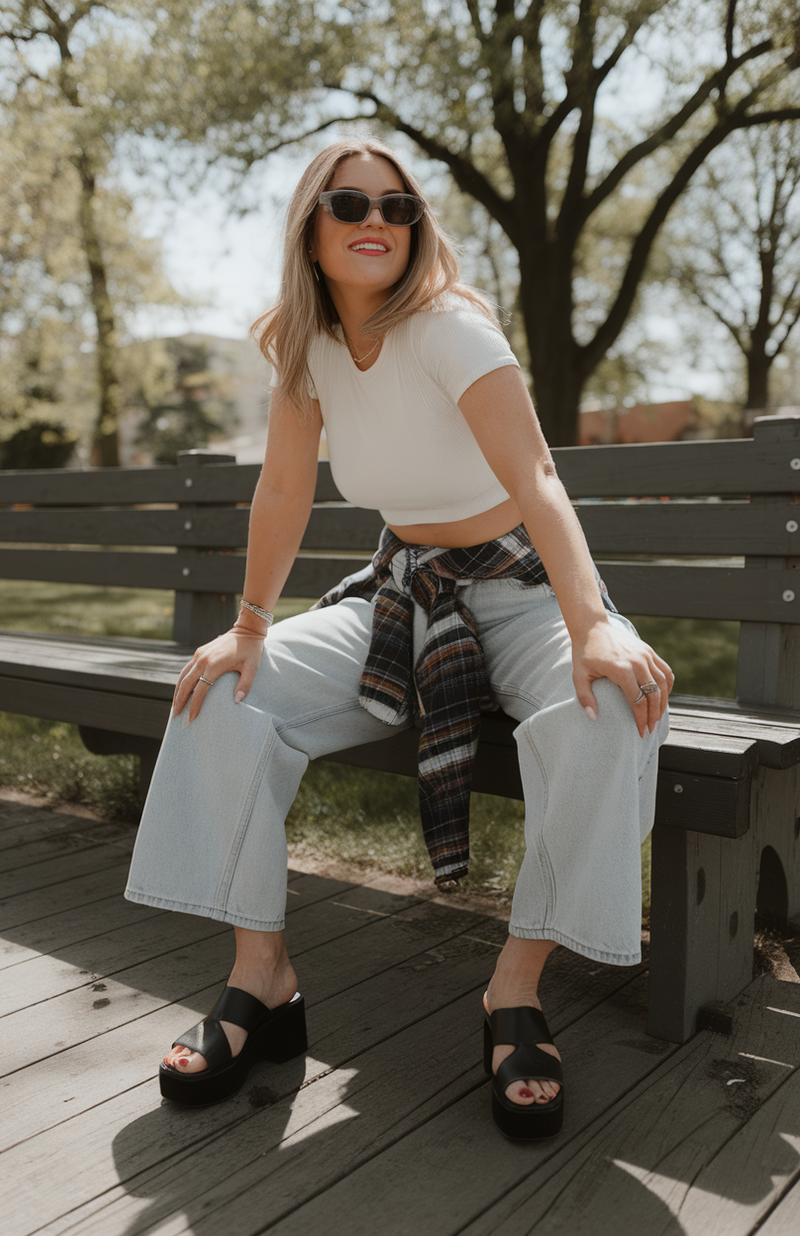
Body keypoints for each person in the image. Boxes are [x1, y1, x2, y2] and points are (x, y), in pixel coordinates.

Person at [125, 137, 673, 1140]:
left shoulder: (449, 329)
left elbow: (537, 477)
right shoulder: (307, 346)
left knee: (605, 709)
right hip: (399, 594)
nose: (376, 219)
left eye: (398, 206)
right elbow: (284, 487)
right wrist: (247, 628)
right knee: (219, 695)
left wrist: (591, 624)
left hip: (521, 592)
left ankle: (513, 989)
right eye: (348, 203)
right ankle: (263, 977)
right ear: (311, 227)